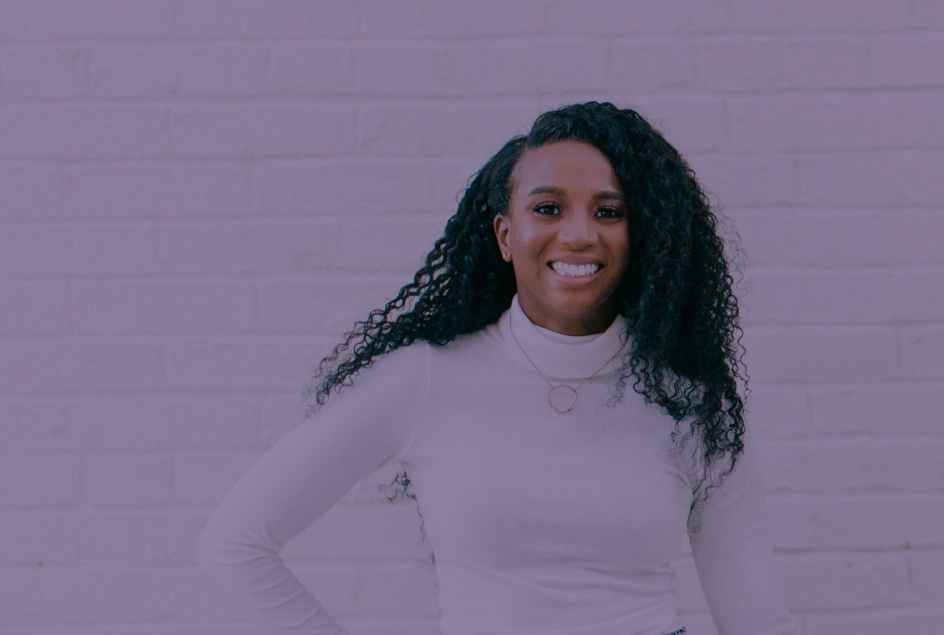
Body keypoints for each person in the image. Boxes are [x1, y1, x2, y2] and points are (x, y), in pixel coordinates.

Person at [194, 101, 798, 635]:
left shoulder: (690, 404)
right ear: (506, 235)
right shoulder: (425, 381)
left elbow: (758, 620)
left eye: (609, 211)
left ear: (642, 237)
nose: (580, 234)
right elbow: (235, 544)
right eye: (548, 207)